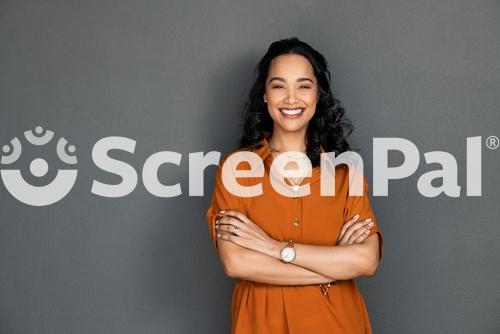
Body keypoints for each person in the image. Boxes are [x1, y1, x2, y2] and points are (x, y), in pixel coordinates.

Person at [205, 37, 384, 334]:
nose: (291, 98)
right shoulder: (236, 169)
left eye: (303, 85)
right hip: (261, 325)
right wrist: (329, 269)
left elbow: (366, 260)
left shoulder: (344, 172)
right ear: (264, 95)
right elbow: (236, 263)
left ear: (318, 94)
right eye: (278, 86)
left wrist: (272, 248)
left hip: (337, 323)